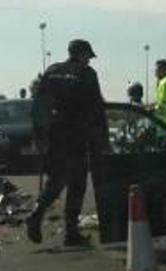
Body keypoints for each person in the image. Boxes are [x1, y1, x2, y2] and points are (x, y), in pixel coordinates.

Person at [26, 39, 108, 247]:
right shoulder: (87, 74)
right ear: (80, 54)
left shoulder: (52, 71)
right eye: (88, 56)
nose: (89, 60)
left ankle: (36, 214)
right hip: (76, 136)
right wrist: (103, 141)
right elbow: (96, 109)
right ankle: (71, 232)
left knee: (56, 180)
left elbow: (38, 107)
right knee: (77, 183)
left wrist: (39, 137)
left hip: (54, 135)